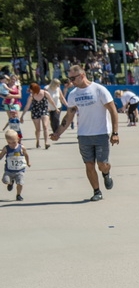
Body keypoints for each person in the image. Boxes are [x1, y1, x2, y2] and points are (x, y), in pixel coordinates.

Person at [49, 64, 119, 202]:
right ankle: (97, 191)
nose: (71, 81)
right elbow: (69, 116)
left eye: (73, 78)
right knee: (89, 165)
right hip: (83, 135)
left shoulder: (99, 90)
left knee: (102, 164)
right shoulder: (73, 94)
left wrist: (115, 132)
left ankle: (106, 173)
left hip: (101, 133)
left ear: (82, 75)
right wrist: (58, 133)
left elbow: (113, 111)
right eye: (69, 78)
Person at [1, 129, 29, 201]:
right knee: (5, 180)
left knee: (20, 183)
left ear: (18, 139)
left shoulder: (21, 147)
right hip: (9, 170)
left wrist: (28, 162)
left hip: (20, 170)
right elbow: (1, 156)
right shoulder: (6, 148)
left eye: (14, 142)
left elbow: (26, 155)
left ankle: (18, 195)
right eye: (10, 143)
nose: (12, 144)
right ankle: (10, 183)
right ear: (7, 142)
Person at [22, 83, 51, 149]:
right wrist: (22, 116)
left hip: (44, 110)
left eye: (32, 89)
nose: (31, 91)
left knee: (45, 126)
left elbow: (51, 100)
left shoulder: (45, 93)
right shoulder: (31, 96)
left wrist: (56, 108)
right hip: (35, 111)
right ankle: (37, 141)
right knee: (38, 129)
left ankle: (46, 142)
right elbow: (27, 106)